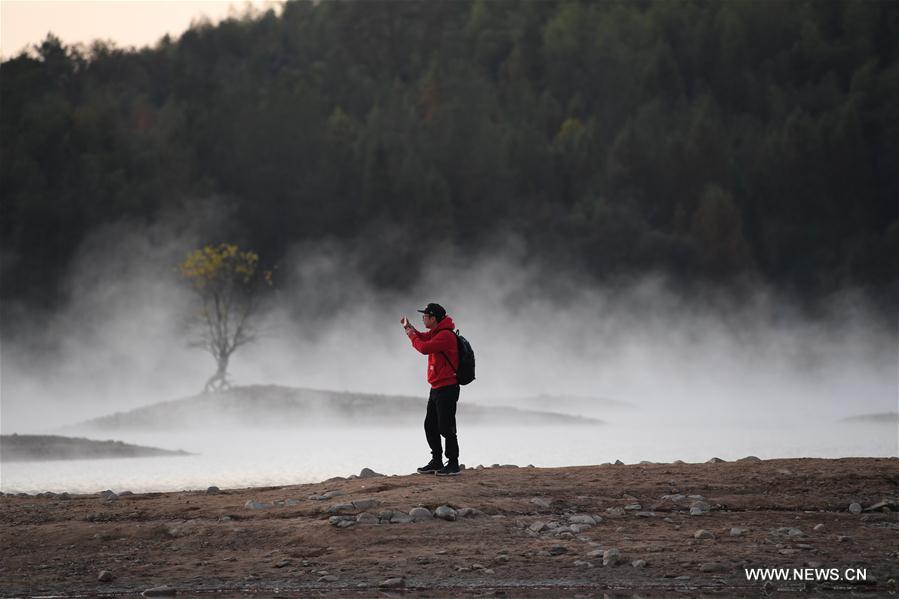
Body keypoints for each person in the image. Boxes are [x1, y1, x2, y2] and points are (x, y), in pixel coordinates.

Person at [401, 302, 461, 476]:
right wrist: (410, 329)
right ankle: (436, 460)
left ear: (433, 318)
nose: (423, 318)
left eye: (426, 316)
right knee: (430, 426)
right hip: (436, 387)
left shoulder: (445, 336)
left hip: (448, 387)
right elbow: (423, 338)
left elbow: (424, 348)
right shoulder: (436, 332)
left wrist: (411, 334)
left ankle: (453, 463)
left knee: (446, 427)